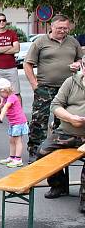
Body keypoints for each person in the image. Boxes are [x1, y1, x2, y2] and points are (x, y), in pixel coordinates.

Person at [23, 14, 83, 159]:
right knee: (39, 121)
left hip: (68, 88)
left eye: (66, 28)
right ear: (52, 26)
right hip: (45, 88)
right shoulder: (40, 42)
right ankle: (34, 153)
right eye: (60, 28)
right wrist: (34, 85)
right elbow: (27, 64)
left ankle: (55, 153)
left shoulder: (73, 42)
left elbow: (80, 59)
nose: (63, 31)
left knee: (61, 122)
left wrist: (78, 64)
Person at [34, 58, 85, 210]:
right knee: (42, 152)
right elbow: (55, 105)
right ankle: (59, 185)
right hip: (67, 131)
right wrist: (71, 118)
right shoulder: (71, 82)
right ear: (82, 65)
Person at [0, 78, 28, 168]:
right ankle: (12, 157)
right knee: (11, 140)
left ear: (4, 90)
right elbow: (0, 106)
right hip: (13, 122)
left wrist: (1, 116)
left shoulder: (12, 97)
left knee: (17, 141)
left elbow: (6, 107)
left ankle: (18, 159)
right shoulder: (5, 98)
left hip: (18, 122)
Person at [0, 14, 21, 106]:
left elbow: (17, 49)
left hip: (11, 68)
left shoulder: (12, 33)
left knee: (16, 92)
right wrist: (10, 46)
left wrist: (0, 49)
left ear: (6, 21)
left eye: (3, 20)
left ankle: (20, 116)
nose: (1, 22)